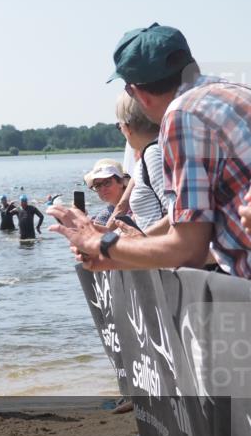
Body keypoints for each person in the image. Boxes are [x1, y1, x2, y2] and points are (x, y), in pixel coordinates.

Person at [50, 23, 251, 278]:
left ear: (137, 93)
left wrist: (100, 243)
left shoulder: (182, 115)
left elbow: (189, 250)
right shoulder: (236, 92)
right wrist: (117, 256)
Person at [115, 91, 167, 232]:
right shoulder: (148, 155)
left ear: (128, 127)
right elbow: (146, 217)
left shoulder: (153, 154)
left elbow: (178, 214)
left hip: (162, 249)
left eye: (118, 126)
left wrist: (140, 241)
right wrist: (110, 236)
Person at [82, 159, 130, 227]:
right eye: (97, 185)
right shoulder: (104, 216)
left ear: (121, 182)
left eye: (107, 182)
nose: (102, 189)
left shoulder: (138, 205)